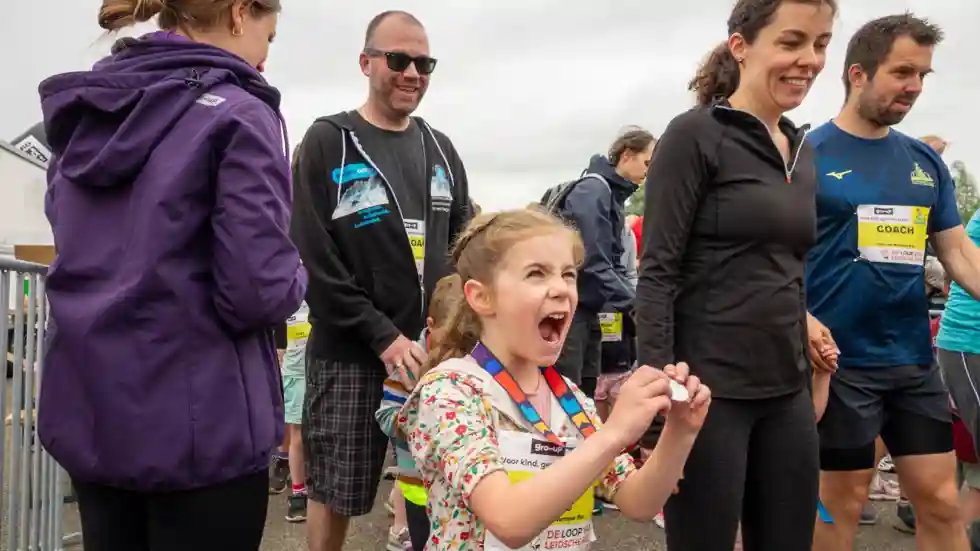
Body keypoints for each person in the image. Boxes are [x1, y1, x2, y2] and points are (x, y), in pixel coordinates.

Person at [36, 0, 306, 549]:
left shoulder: (92, 110)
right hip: (202, 430)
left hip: (94, 415)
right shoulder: (240, 112)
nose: (264, 58)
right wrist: (297, 273)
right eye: (269, 37)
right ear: (238, 14)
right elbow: (256, 291)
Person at [636, 0, 836, 549]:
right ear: (741, 46)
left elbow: (776, 265)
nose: (810, 59)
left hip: (787, 391)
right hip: (706, 394)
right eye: (792, 42)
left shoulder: (801, 151)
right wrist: (658, 408)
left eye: (821, 44)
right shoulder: (695, 135)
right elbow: (657, 272)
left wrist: (804, 321)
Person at [397, 208, 711, 551]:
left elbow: (639, 503)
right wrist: (616, 432)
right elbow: (508, 521)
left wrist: (680, 430)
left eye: (568, 274)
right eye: (536, 273)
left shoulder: (570, 399)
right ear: (482, 297)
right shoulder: (450, 390)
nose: (561, 288)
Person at [290, 10, 471, 551]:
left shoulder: (440, 149)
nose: (412, 73)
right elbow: (313, 257)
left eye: (424, 63)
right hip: (352, 355)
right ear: (366, 62)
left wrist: (453, 335)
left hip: (430, 357)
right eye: (398, 60)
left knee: (435, 488)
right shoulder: (330, 140)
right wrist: (382, 336)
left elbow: (465, 249)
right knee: (335, 493)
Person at [807, 14, 980, 551]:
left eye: (923, 75)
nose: (915, 86)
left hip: (911, 363)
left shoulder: (924, 161)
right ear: (858, 74)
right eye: (903, 72)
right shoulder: (805, 154)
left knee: (942, 503)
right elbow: (769, 259)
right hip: (837, 365)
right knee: (839, 507)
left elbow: (957, 250)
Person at [555, 128, 655, 393]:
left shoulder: (611, 195)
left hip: (591, 308)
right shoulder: (593, 190)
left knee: (586, 392)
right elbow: (593, 263)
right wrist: (638, 307)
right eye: (647, 163)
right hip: (571, 309)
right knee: (567, 392)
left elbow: (615, 265)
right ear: (627, 155)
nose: (649, 172)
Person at [376, 274, 462, 551]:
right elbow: (385, 416)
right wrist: (419, 421)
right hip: (417, 488)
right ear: (431, 326)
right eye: (449, 340)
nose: (455, 350)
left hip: (457, 491)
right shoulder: (410, 364)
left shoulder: (470, 362)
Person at [281, 302, 311, 523]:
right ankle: (298, 492)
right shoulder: (289, 289)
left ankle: (320, 483)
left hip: (325, 366)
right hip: (296, 370)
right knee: (298, 433)